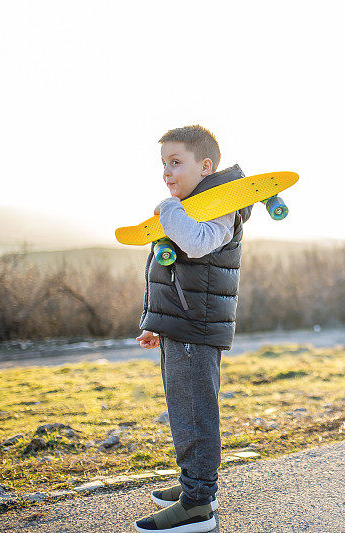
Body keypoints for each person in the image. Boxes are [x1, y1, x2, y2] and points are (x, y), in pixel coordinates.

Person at [133, 125, 252, 533]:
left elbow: (198, 244)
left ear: (205, 166)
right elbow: (167, 270)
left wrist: (168, 211)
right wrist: (153, 323)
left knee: (194, 414)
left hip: (196, 328)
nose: (167, 172)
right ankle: (196, 487)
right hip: (179, 327)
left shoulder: (218, 205)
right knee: (184, 410)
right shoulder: (192, 206)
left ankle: (197, 505)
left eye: (176, 162)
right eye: (163, 164)